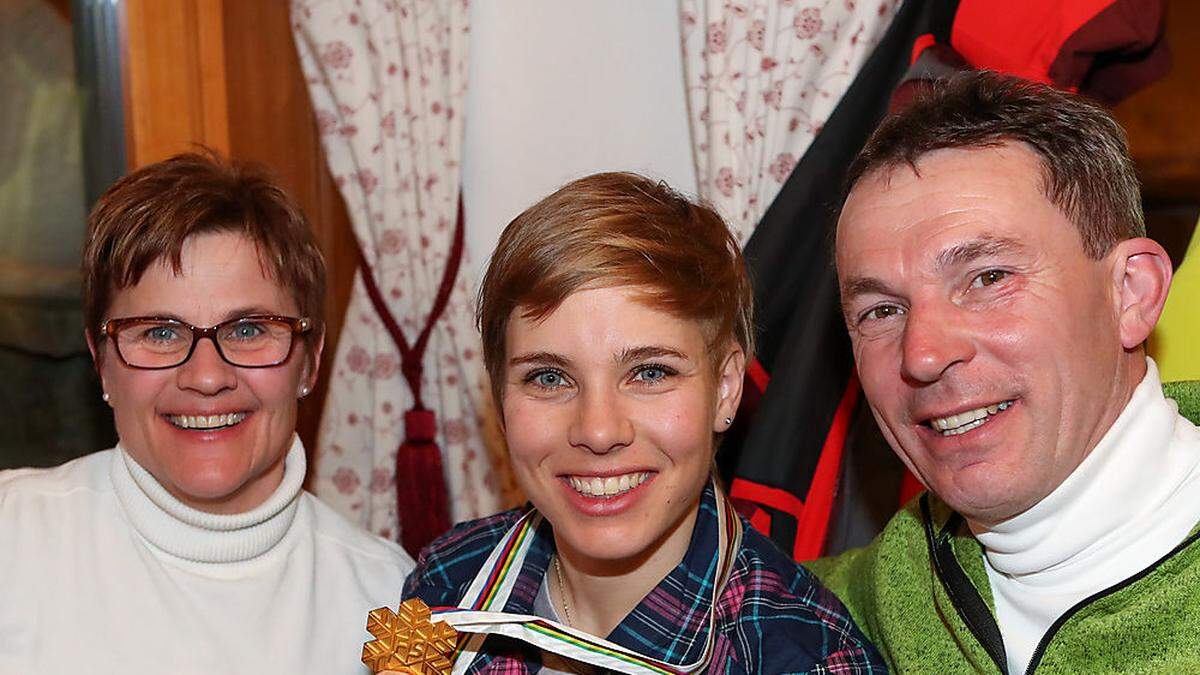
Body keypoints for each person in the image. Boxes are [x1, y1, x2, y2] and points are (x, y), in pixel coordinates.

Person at [397, 173, 885, 673]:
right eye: (549, 377)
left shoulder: (806, 659)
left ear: (725, 388)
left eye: (650, 372)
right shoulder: (448, 579)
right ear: (500, 397)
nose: (598, 430)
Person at [808, 70, 1200, 673]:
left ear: (1131, 293)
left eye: (989, 278)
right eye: (882, 311)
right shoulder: (869, 595)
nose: (923, 355)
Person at [0, 153, 413, 674]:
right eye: (159, 332)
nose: (207, 377)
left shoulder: (389, 602)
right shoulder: (11, 538)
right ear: (102, 365)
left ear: (309, 361)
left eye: (247, 330)